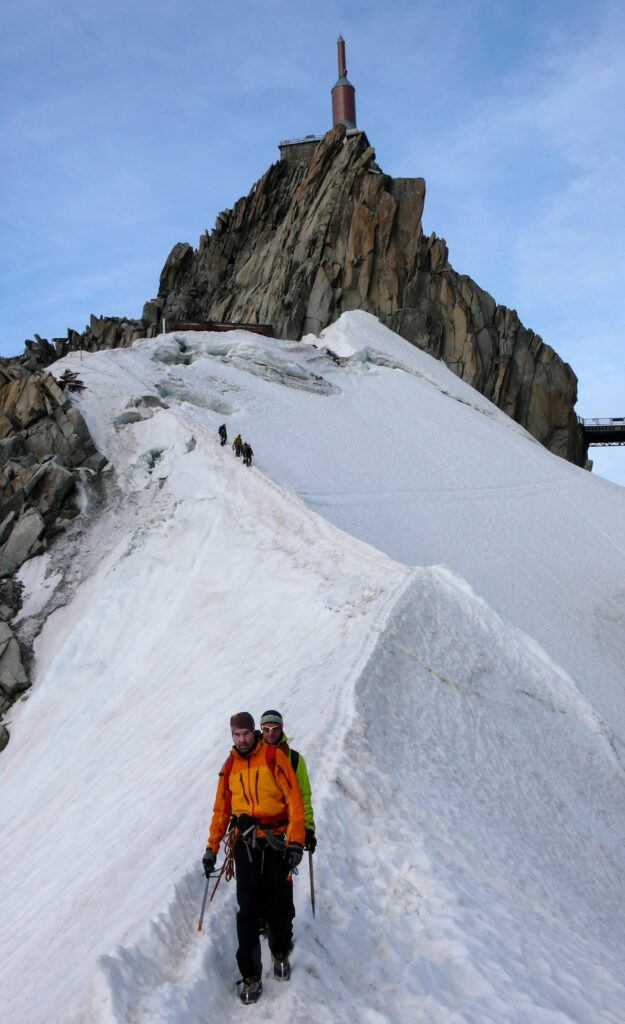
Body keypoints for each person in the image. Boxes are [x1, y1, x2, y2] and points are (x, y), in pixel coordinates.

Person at [202, 712, 305, 1004]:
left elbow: (294, 799)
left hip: (275, 842)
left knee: (279, 901)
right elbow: (221, 810)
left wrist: (296, 841)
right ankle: (250, 974)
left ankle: (281, 949)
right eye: (236, 735)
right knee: (247, 909)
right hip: (245, 844)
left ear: (254, 733)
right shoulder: (230, 765)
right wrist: (211, 847)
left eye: (246, 733)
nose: (242, 739)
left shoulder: (273, 757)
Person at [260, 709, 316, 851]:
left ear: (281, 729)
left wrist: (307, 827)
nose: (270, 733)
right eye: (266, 729)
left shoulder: (295, 759)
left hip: (284, 832)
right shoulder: (253, 758)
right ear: (261, 730)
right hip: (254, 832)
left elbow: (304, 795)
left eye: (275, 729)